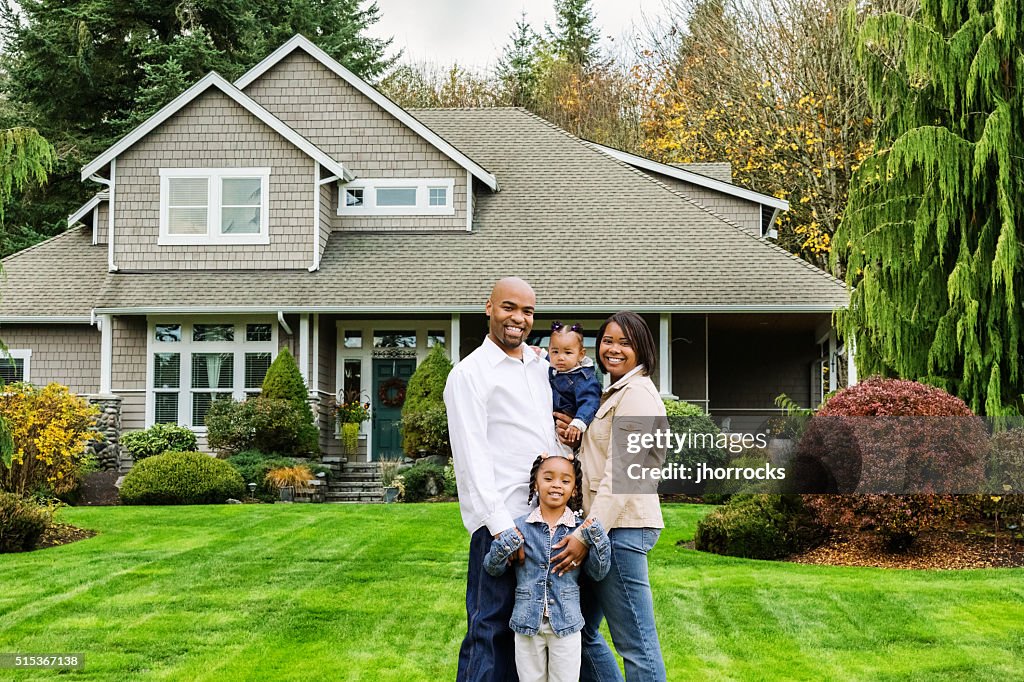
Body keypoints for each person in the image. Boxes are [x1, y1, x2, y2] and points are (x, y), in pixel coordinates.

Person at [444, 277, 562, 682]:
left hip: (543, 523)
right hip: (500, 526)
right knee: (488, 631)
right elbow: (471, 457)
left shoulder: (540, 367)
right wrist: (500, 529)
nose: (519, 318)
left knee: (531, 637)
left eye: (528, 311)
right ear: (489, 308)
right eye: (509, 307)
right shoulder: (470, 374)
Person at [550, 311, 668, 682]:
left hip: (620, 531)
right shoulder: (612, 393)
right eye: (608, 340)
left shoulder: (637, 397)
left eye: (625, 342)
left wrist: (586, 535)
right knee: (575, 631)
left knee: (636, 643)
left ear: (642, 349)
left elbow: (622, 478)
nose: (613, 349)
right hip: (603, 527)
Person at [483, 452, 611, 682]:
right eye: (548, 478)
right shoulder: (519, 526)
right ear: (535, 483)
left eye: (565, 480)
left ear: (574, 489)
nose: (556, 485)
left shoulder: (579, 532)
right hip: (526, 625)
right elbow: (493, 568)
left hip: (566, 625)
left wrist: (597, 537)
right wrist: (508, 542)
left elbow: (598, 572)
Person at [547, 321, 602, 446]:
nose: (560, 357)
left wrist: (578, 422)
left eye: (568, 352)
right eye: (555, 352)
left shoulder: (583, 379)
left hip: (570, 429)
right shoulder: (554, 368)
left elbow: (590, 402)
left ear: (581, 354)